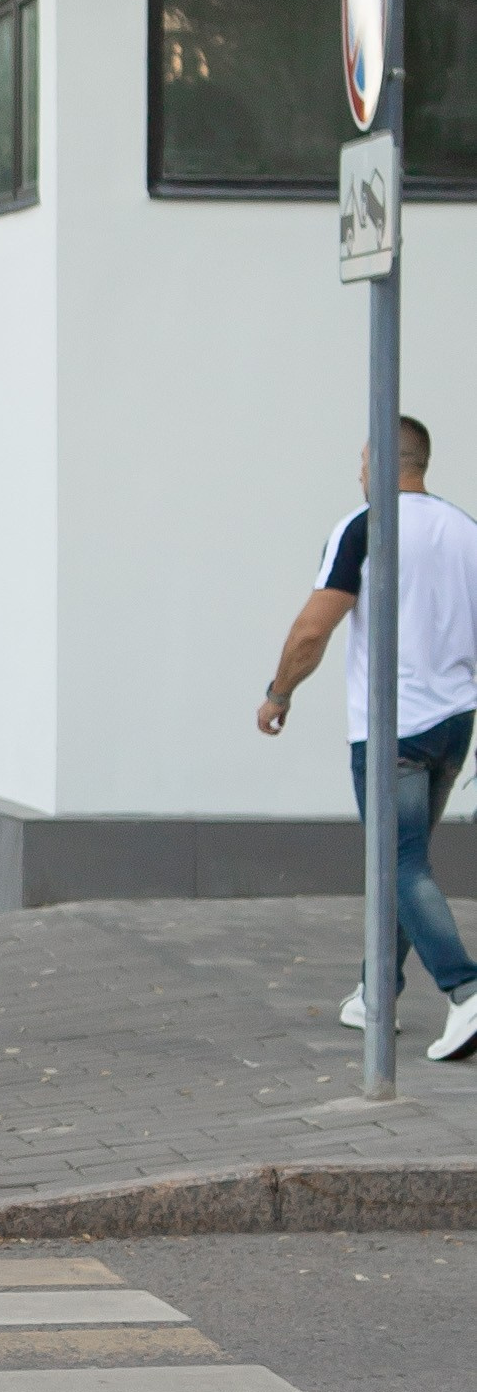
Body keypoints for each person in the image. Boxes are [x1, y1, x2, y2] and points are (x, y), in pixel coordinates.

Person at [258, 412, 477, 1064]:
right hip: (453, 723)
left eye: (361, 461)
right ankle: (375, 991)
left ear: (382, 461)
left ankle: (466, 990)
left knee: (398, 861)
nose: (358, 473)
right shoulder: (465, 530)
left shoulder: (365, 526)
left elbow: (312, 629)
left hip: (393, 728)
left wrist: (279, 692)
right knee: (406, 860)